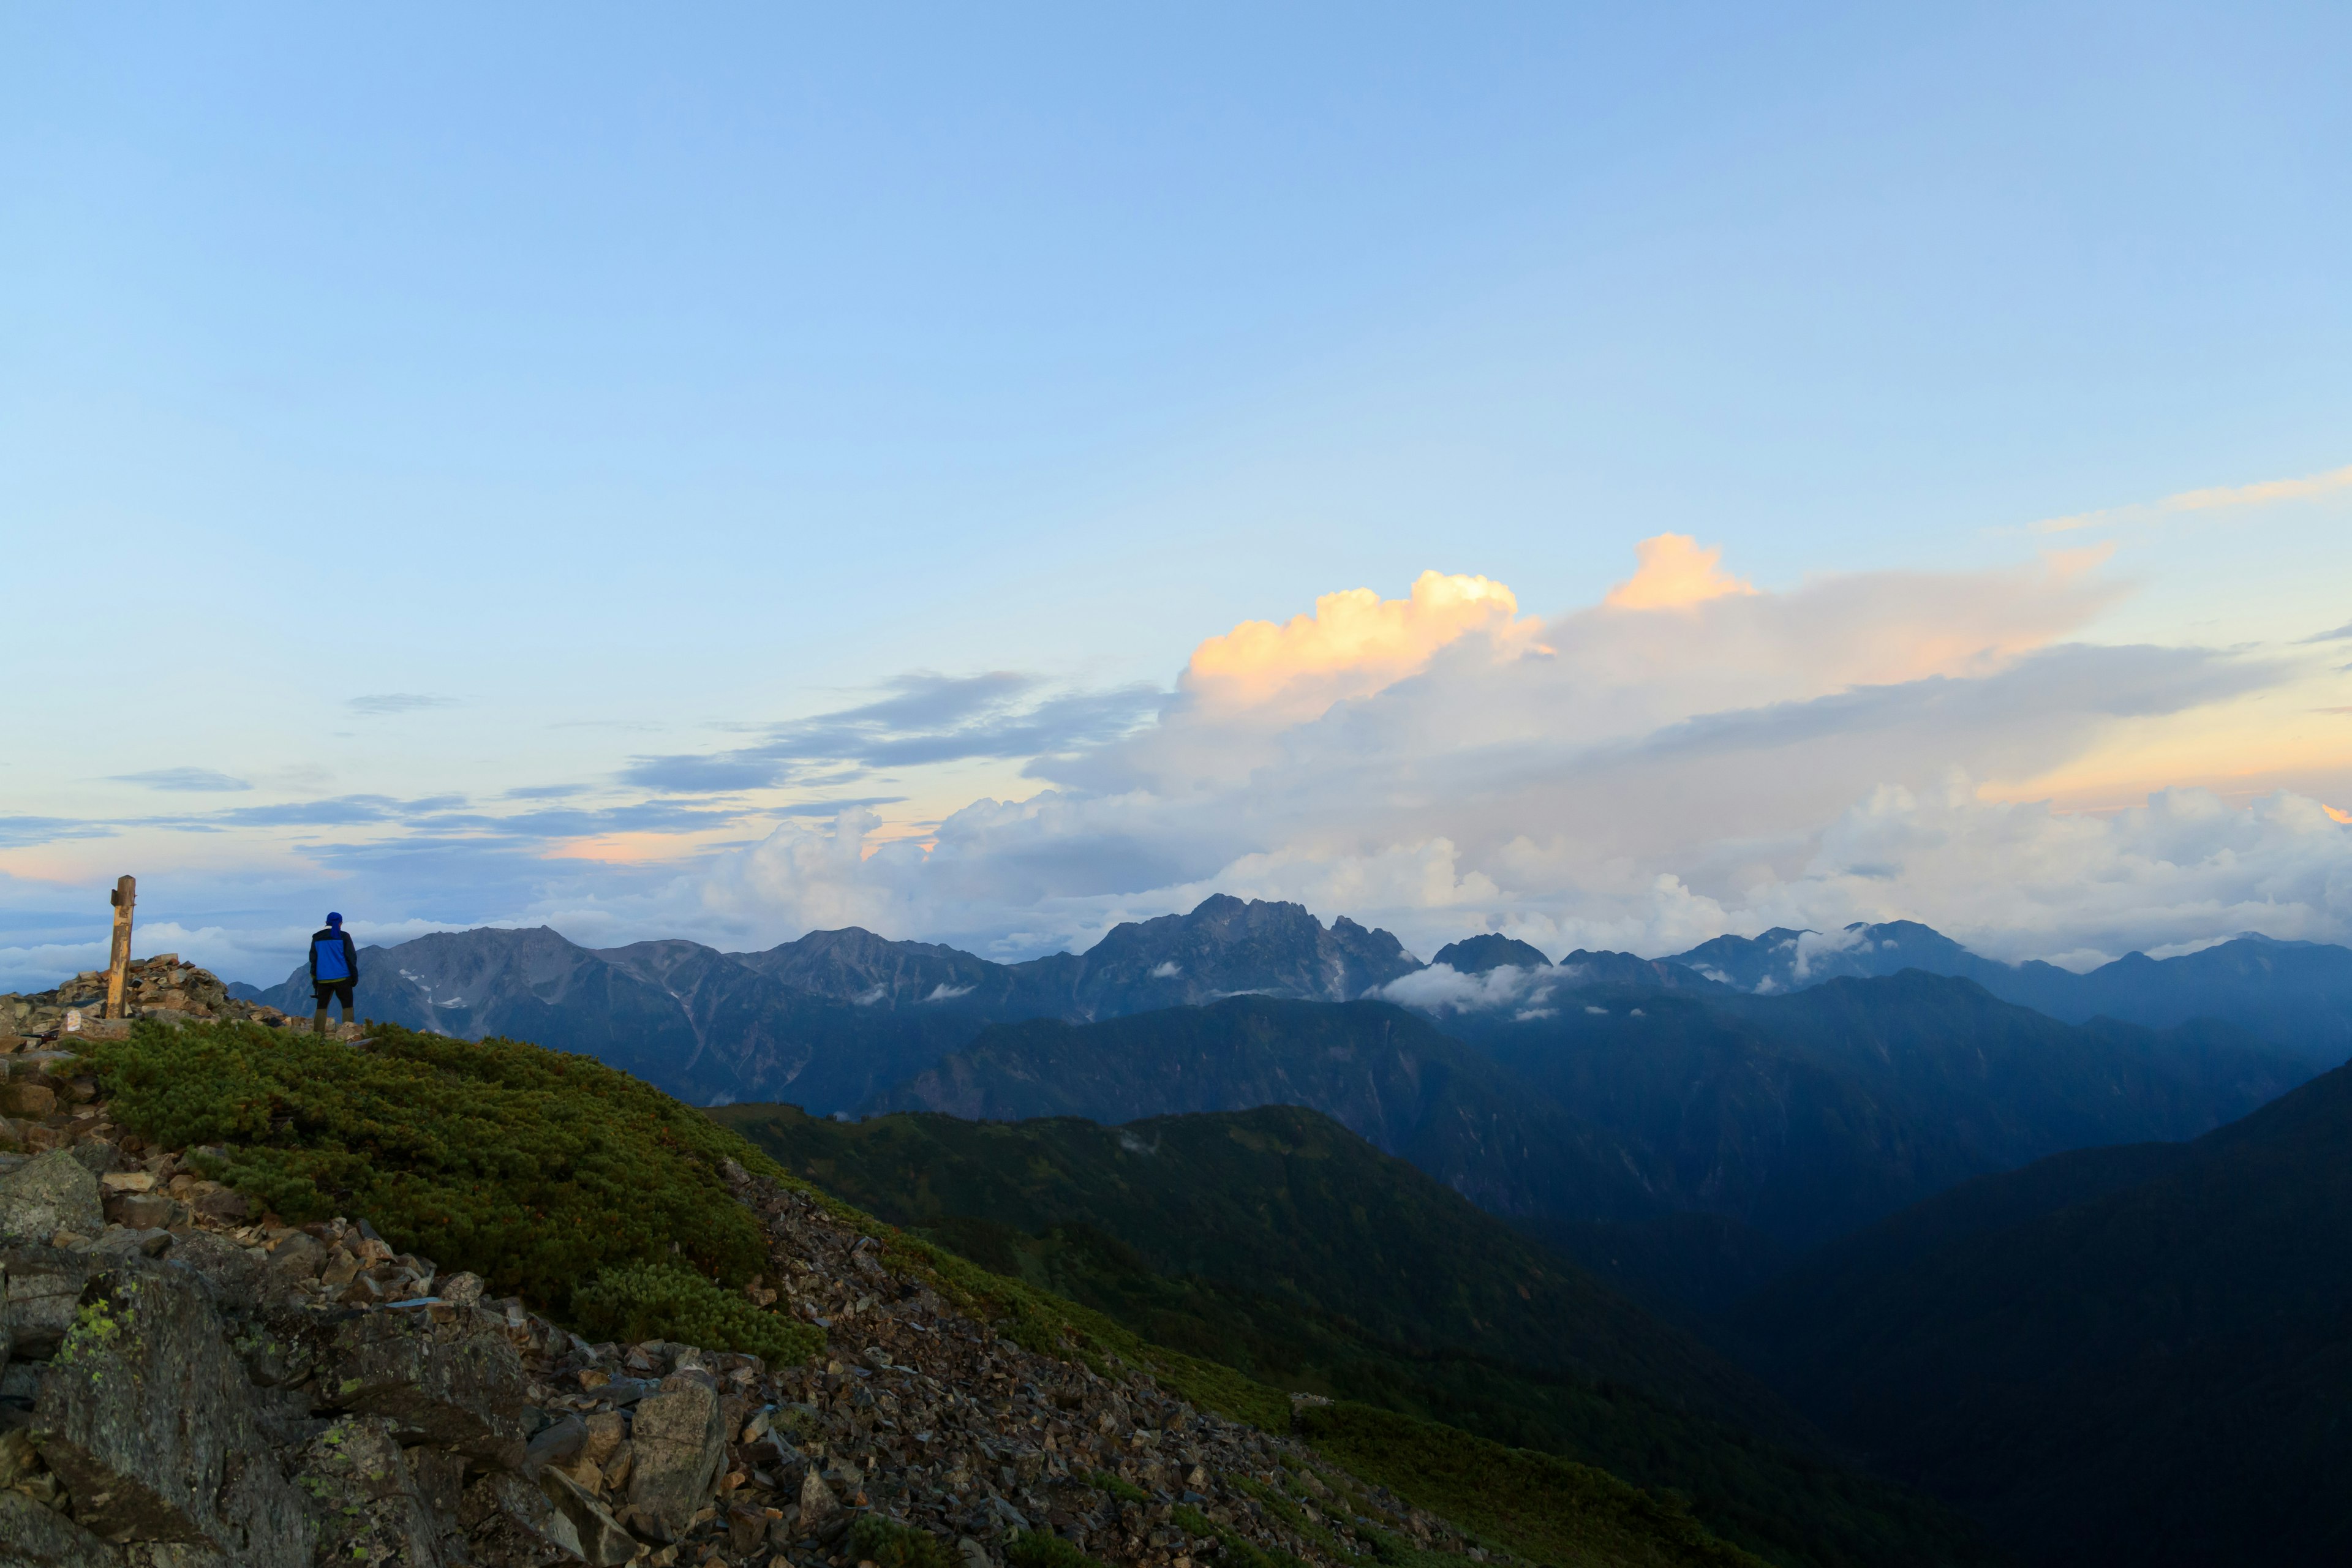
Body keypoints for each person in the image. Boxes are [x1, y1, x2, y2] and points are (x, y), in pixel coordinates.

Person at [309, 912, 360, 1036]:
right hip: (343, 977)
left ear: (326, 922)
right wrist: (354, 976)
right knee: (347, 1005)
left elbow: (313, 960)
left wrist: (315, 978)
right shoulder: (344, 936)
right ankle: (348, 1034)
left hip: (323, 979)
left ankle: (318, 1035)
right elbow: (351, 958)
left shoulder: (317, 937)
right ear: (340, 923)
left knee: (322, 1006)